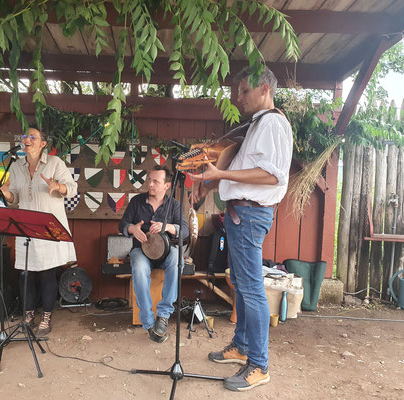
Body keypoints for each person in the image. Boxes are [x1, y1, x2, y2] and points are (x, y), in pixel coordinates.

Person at [189, 65, 293, 391]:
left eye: (245, 91)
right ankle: (242, 346)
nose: (239, 97)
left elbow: (272, 175)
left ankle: (259, 365)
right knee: (243, 285)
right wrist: (210, 182)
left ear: (265, 89)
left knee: (251, 290)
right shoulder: (259, 124)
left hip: (249, 216)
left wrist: (220, 177)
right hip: (239, 216)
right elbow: (236, 155)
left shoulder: (273, 123)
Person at [0, 124, 77, 336]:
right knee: (26, 274)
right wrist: (7, 194)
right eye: (25, 136)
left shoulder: (54, 163)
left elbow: (72, 188)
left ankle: (47, 316)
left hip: (48, 228)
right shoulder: (15, 166)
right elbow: (14, 200)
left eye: (32, 136)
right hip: (25, 228)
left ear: (42, 144)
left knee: (47, 274)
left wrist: (58, 187)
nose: (27, 139)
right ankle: (29, 315)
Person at [119, 165, 188, 343]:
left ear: (166, 186)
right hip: (141, 250)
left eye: (155, 181)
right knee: (140, 268)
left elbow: (185, 231)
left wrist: (169, 227)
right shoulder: (137, 202)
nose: (150, 184)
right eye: (150, 180)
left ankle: (163, 316)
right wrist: (132, 228)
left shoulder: (174, 205)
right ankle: (149, 322)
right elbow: (122, 225)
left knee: (177, 258)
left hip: (166, 253)